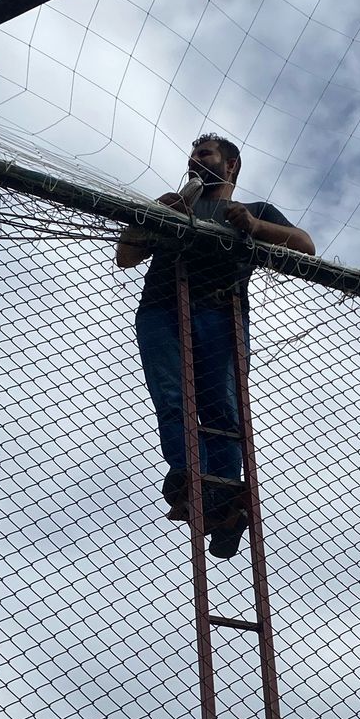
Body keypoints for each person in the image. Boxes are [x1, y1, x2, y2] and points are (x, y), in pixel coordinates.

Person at [118, 134, 314, 558]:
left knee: (222, 405)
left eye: (205, 154)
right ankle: (192, 475)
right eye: (193, 155)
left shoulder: (253, 211)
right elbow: (126, 256)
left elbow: (306, 246)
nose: (195, 161)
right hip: (161, 309)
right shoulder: (175, 203)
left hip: (220, 311)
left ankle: (222, 496)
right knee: (172, 396)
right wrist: (154, 217)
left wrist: (255, 227)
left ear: (231, 166)